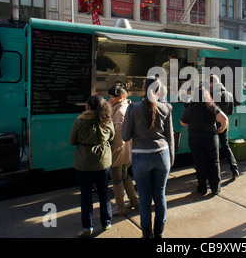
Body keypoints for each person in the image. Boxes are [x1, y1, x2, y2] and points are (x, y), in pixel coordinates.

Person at [121, 77, 174, 238]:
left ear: (144, 88)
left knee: (144, 198)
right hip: (162, 155)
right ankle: (159, 233)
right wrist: (171, 156)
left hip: (141, 158)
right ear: (158, 91)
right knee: (160, 195)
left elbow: (124, 136)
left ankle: (146, 234)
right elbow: (169, 135)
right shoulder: (166, 108)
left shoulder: (133, 108)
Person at [69, 95, 114, 237]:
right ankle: (106, 222)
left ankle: (87, 227)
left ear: (88, 106)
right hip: (103, 161)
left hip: (84, 163)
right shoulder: (107, 119)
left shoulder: (80, 120)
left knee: (86, 194)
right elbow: (112, 136)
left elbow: (72, 140)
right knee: (103, 192)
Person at [181, 86, 228, 196]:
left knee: (199, 163)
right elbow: (224, 118)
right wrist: (223, 127)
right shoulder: (211, 107)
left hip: (194, 139)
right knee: (214, 162)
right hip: (210, 139)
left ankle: (202, 188)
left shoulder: (190, 108)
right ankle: (215, 188)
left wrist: (193, 123)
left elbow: (182, 122)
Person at [108, 85, 139, 216]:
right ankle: (134, 201)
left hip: (119, 151)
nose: (110, 100)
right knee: (125, 176)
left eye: (112, 98)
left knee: (116, 179)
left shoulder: (120, 112)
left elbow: (118, 137)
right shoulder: (126, 107)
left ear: (120, 97)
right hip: (127, 150)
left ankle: (120, 206)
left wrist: (112, 150)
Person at [209, 75, 239, 179]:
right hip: (224, 123)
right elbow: (230, 112)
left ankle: (214, 173)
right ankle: (234, 169)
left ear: (211, 83)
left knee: (213, 148)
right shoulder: (229, 94)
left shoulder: (210, 94)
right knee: (225, 146)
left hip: (212, 124)